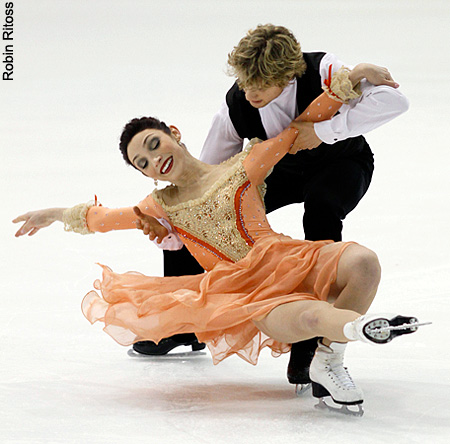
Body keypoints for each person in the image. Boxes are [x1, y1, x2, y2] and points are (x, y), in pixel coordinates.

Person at [13, 75, 424, 414]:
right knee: (313, 318)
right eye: (144, 162)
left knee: (364, 262)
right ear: (146, 175)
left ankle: (329, 359)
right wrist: (52, 213)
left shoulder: (242, 165)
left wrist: (346, 83)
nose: (155, 160)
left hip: (288, 256)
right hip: (244, 289)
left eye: (155, 145)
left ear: (174, 133)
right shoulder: (159, 206)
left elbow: (298, 129)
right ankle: (359, 329)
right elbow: (100, 220)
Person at [135, 24, 410, 390]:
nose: (250, 93)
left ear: (288, 74)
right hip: (279, 169)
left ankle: (310, 344)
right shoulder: (236, 104)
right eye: (245, 83)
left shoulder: (324, 70)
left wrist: (325, 132)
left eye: (260, 86)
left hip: (341, 162)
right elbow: (202, 181)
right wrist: (180, 216)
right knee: (196, 213)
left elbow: (396, 102)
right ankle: (185, 325)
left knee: (322, 210)